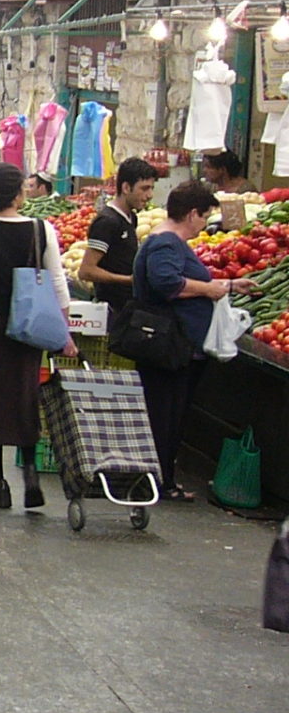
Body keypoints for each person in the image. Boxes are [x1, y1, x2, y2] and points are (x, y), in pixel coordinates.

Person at [0, 163, 80, 512]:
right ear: (16, 194)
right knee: (25, 397)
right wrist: (65, 332)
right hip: (29, 326)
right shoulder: (42, 230)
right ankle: (30, 477)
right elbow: (58, 282)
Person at [133, 180, 254, 501]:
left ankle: (162, 479)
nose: (205, 223)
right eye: (204, 215)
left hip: (179, 346)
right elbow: (166, 283)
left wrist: (227, 285)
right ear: (192, 214)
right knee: (165, 415)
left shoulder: (170, 242)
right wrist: (211, 289)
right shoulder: (166, 243)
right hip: (170, 346)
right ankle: (158, 482)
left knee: (170, 414)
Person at [77, 157, 158, 322]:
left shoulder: (131, 218)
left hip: (128, 308)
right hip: (112, 312)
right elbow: (86, 271)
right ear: (126, 187)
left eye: (151, 188)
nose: (149, 195)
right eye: (144, 188)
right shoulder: (107, 222)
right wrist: (127, 280)